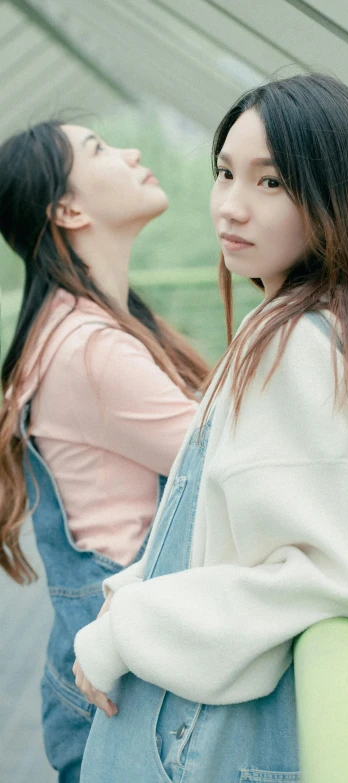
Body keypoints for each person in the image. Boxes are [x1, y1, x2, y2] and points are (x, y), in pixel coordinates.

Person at [71, 74, 348, 783]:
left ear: (336, 202)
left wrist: (119, 628)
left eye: (271, 184)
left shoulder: (294, 346)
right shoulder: (298, 325)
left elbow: (336, 572)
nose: (231, 206)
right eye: (226, 173)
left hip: (188, 726)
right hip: (195, 712)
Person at [0, 121, 209, 782]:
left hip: (101, 680)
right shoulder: (91, 349)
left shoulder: (71, 325)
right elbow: (243, 468)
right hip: (123, 694)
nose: (132, 153)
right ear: (67, 210)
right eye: (99, 150)